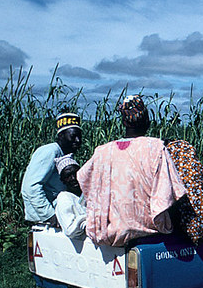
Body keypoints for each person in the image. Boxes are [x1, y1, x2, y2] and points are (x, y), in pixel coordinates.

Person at [76, 95, 186, 246]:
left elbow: (82, 177)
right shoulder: (155, 148)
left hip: (108, 232)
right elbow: (169, 192)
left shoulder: (102, 151)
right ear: (147, 121)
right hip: (149, 229)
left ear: (123, 121)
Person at [21, 112, 82, 225]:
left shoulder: (66, 155)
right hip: (44, 221)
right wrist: (50, 215)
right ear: (60, 136)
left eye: (79, 136)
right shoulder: (50, 152)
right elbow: (30, 187)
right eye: (73, 136)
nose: (77, 141)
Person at [53, 154, 86, 238]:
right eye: (68, 176)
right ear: (63, 180)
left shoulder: (88, 194)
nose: (73, 178)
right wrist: (88, 220)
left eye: (75, 173)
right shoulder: (64, 198)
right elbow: (70, 230)